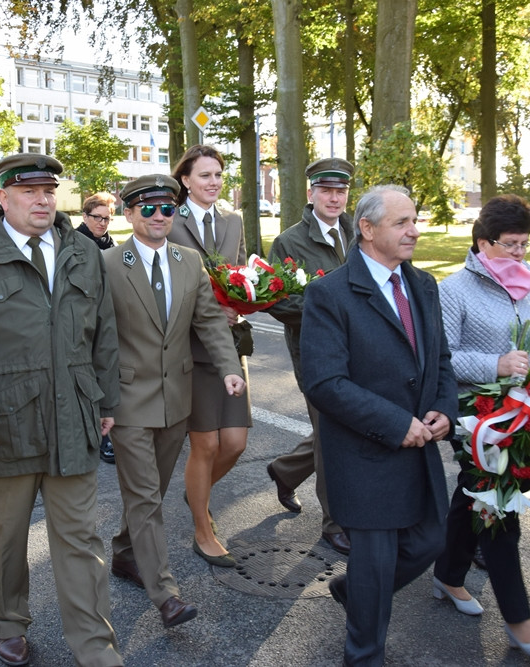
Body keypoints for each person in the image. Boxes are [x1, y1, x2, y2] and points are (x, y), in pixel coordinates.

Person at [0, 153, 123, 667]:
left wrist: (106, 400)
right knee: (6, 537)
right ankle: (9, 623)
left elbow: (103, 333)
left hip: (73, 416)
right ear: (2, 198)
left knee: (81, 538)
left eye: (49, 191)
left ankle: (95, 645)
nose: (42, 200)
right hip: (4, 421)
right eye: (29, 192)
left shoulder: (82, 252)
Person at [301, 185, 457, 666]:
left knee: (432, 540)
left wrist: (445, 408)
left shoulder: (425, 285)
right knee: (376, 559)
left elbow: (441, 360)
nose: (414, 230)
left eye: (415, 219)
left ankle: (355, 590)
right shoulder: (330, 294)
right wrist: (395, 423)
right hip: (365, 451)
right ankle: (363, 655)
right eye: (401, 222)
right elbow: (324, 382)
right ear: (367, 230)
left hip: (419, 448)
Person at [105, 175, 245, 627]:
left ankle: (126, 552)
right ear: (129, 213)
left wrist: (228, 367)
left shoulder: (189, 262)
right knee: (145, 496)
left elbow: (208, 321)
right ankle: (165, 594)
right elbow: (92, 335)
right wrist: (98, 399)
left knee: (155, 491)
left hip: (175, 399)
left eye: (167, 208)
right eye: (148, 209)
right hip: (127, 401)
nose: (160, 216)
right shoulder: (106, 264)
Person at [432, 195, 530, 657]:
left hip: (523, 417)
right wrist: (497, 364)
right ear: (482, 242)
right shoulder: (453, 289)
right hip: (477, 417)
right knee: (499, 503)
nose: (519, 254)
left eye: (525, 245)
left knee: (471, 497)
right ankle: (519, 617)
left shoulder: (525, 286)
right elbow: (442, 358)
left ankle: (449, 575)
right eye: (510, 245)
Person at [265, 157, 355, 556]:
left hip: (359, 354)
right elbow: (276, 301)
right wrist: (328, 310)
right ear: (311, 193)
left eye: (341, 191)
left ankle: (285, 470)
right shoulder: (289, 242)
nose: (335, 198)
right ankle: (334, 524)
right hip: (316, 356)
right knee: (334, 437)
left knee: (332, 432)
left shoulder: (360, 232)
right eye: (327, 190)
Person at [167, 144, 250, 566]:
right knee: (206, 444)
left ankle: (195, 492)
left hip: (228, 346)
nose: (214, 182)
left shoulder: (233, 220)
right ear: (185, 180)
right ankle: (203, 529)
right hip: (188, 347)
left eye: (218, 174)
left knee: (234, 443)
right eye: (204, 175)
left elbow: (239, 272)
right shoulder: (169, 218)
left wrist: (242, 302)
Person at [76, 191, 118, 464]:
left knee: (106, 373)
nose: (102, 223)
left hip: (108, 317)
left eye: (107, 218)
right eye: (97, 217)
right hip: (82, 318)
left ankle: (107, 433)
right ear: (85, 216)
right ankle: (100, 438)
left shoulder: (111, 244)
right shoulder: (74, 243)